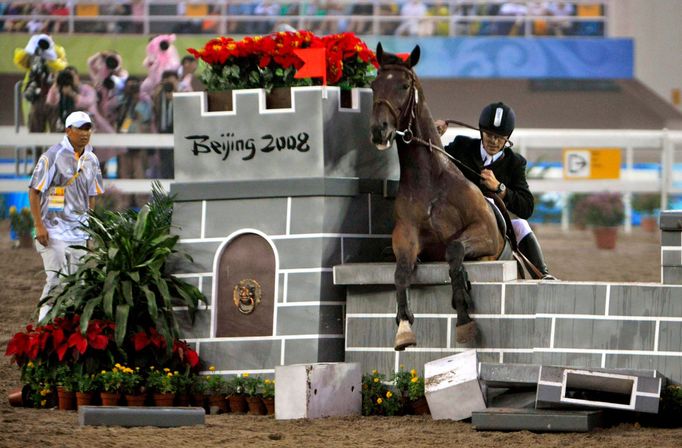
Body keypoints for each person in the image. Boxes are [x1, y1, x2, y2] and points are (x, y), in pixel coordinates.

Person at [435, 102, 557, 280]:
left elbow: (527, 207)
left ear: (508, 138)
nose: (493, 141)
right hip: (456, 213)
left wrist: (501, 189)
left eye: (500, 137)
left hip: (491, 219)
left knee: (521, 225)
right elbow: (434, 162)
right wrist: (434, 135)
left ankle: (542, 274)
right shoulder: (462, 146)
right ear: (481, 131)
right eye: (489, 134)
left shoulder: (515, 163)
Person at [28, 111, 104, 322]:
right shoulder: (52, 156)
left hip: (79, 232)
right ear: (68, 130)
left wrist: (90, 229)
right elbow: (34, 190)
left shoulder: (92, 159)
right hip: (52, 231)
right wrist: (39, 226)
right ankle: (43, 325)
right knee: (55, 280)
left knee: (78, 284)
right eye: (80, 128)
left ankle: (66, 328)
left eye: (88, 128)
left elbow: (91, 196)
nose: (85, 133)